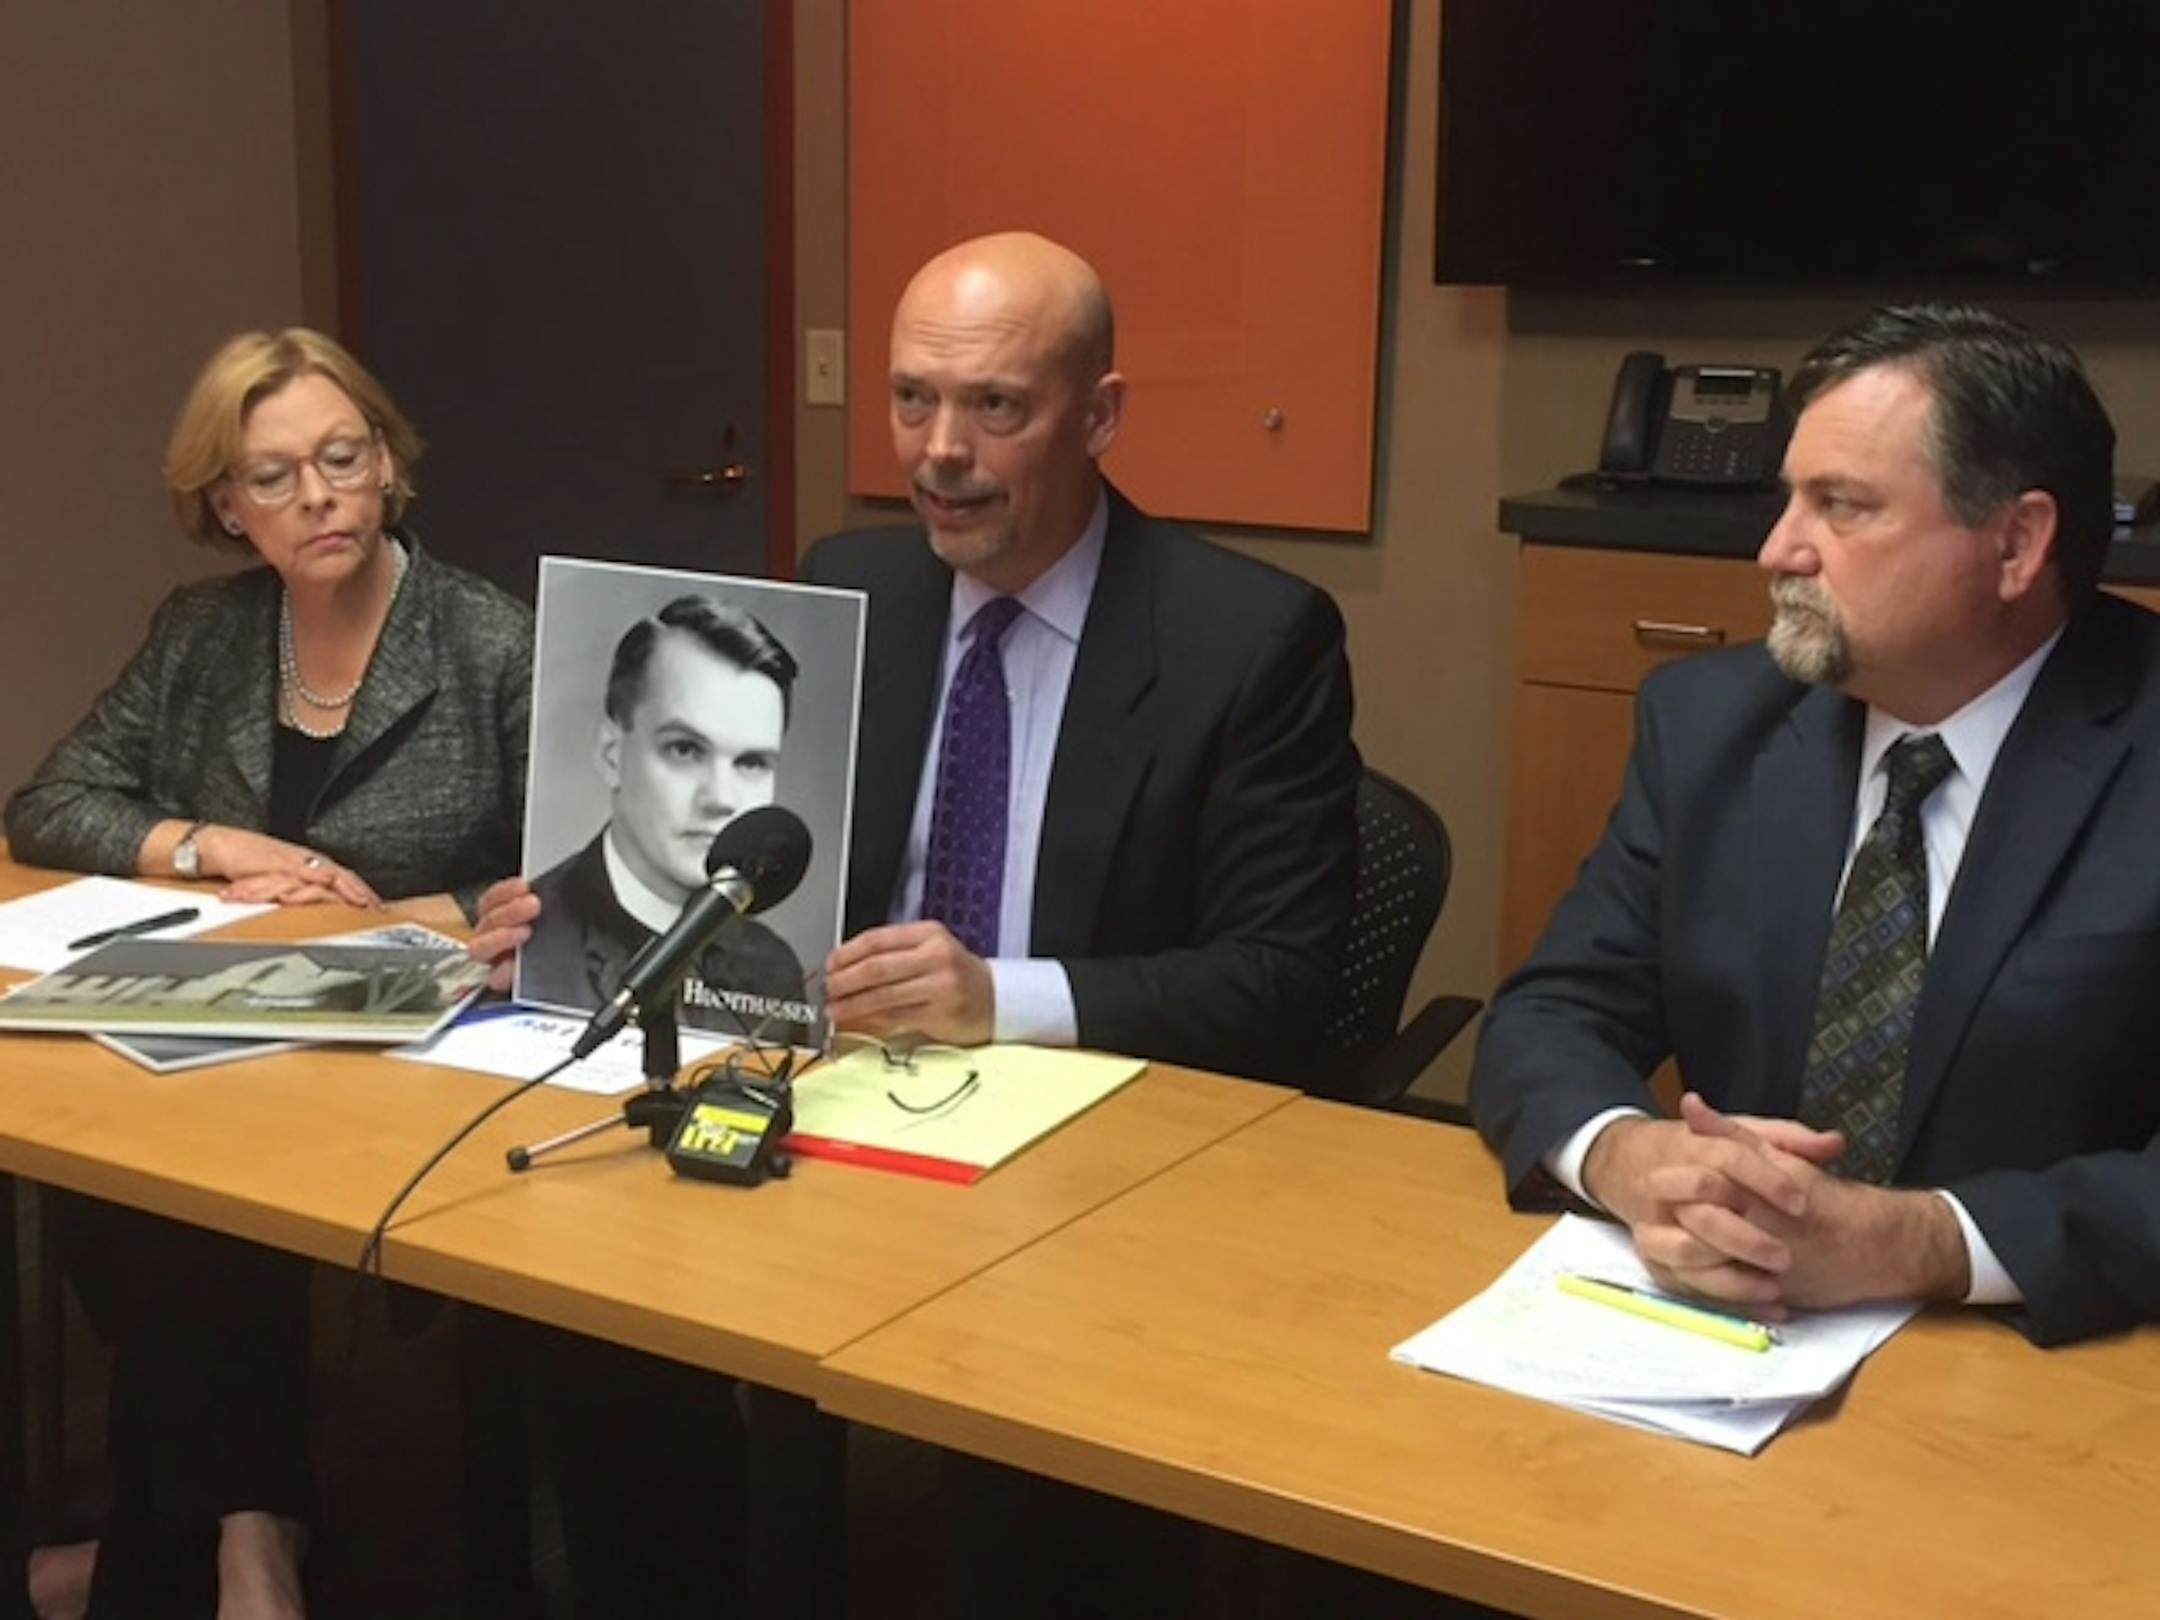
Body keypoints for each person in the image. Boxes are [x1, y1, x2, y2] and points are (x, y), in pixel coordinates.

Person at [468, 231, 1360, 1617]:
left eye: (995, 406)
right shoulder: (857, 586)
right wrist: (572, 912)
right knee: (590, 1308)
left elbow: (1281, 983)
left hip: (1089, 1161)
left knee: (1019, 1464)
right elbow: (750, 858)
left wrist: (999, 995)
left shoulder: (1252, 640)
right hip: (829, 1111)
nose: (940, 449)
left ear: (1101, 415)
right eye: (910, 401)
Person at [1472, 302, 2160, 1350]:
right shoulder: (1708, 724)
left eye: (1840, 507)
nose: (1776, 551)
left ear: (2017, 543)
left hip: (2051, 1374)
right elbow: (1551, 1014)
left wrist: (1921, 1239)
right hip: (1720, 1340)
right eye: (1786, 500)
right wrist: (1629, 1157)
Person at [4, 327, 531, 1618]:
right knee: (110, 1175)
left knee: (204, 1199)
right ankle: (241, 1525)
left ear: (388, 464)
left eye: (341, 459)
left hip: (419, 1034)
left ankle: (199, 1546)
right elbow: (47, 801)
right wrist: (211, 841)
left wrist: (396, 911)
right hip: (230, 1012)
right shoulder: (204, 634)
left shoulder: (488, 640)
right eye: (275, 477)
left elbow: (570, 863)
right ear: (227, 507)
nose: (318, 499)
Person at [519, 594, 815, 1046]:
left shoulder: (773, 967)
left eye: (752, 763)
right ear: (611, 754)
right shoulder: (530, 949)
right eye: (684, 749)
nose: (720, 799)